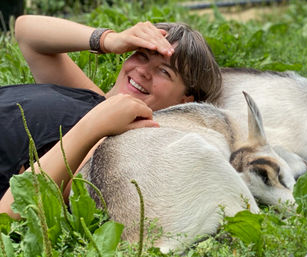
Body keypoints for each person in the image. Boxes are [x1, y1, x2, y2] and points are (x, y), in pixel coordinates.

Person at [0, 15, 222, 219]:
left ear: (186, 102)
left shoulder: (107, 152)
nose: (144, 71)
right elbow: (26, 32)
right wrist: (109, 40)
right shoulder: (93, 99)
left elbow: (9, 212)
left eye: (164, 71)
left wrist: (96, 126)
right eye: (142, 55)